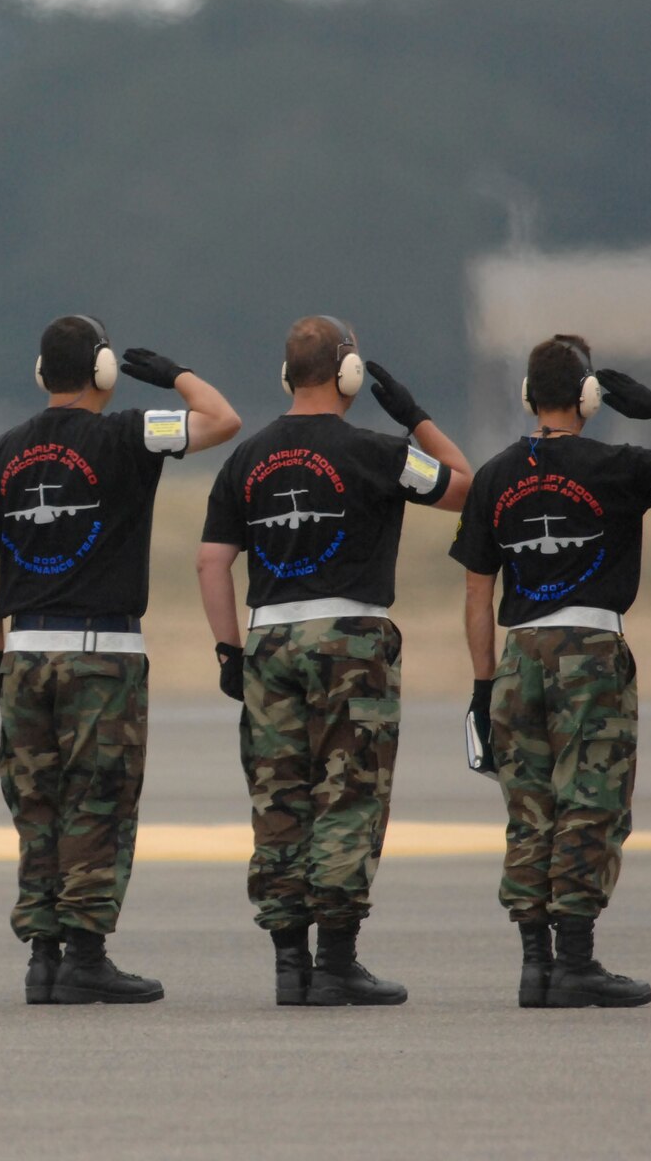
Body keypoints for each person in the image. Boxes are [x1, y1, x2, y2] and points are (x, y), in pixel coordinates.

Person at [0, 316, 241, 1004]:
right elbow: (222, 420)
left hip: (25, 652)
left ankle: (43, 957)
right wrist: (172, 373)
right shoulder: (128, 434)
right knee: (98, 803)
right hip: (101, 654)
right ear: (105, 371)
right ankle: (85, 955)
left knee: (37, 804)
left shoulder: (3, 452)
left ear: (41, 373)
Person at [197, 317, 469, 1006]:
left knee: (279, 798)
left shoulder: (246, 458)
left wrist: (230, 650)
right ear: (350, 375)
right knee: (348, 796)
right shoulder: (382, 451)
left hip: (269, 641)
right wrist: (414, 417)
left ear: (287, 376)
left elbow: (211, 562)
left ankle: (290, 964)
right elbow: (469, 488)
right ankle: (338, 962)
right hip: (352, 639)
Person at [448, 335, 651, 1008]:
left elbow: (475, 594)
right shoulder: (619, 465)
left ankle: (534, 965)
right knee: (591, 800)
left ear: (529, 397)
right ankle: (575, 960)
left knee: (530, 807)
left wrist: (482, 686)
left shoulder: (493, 475)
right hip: (590, 649)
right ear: (588, 398)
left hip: (518, 654)